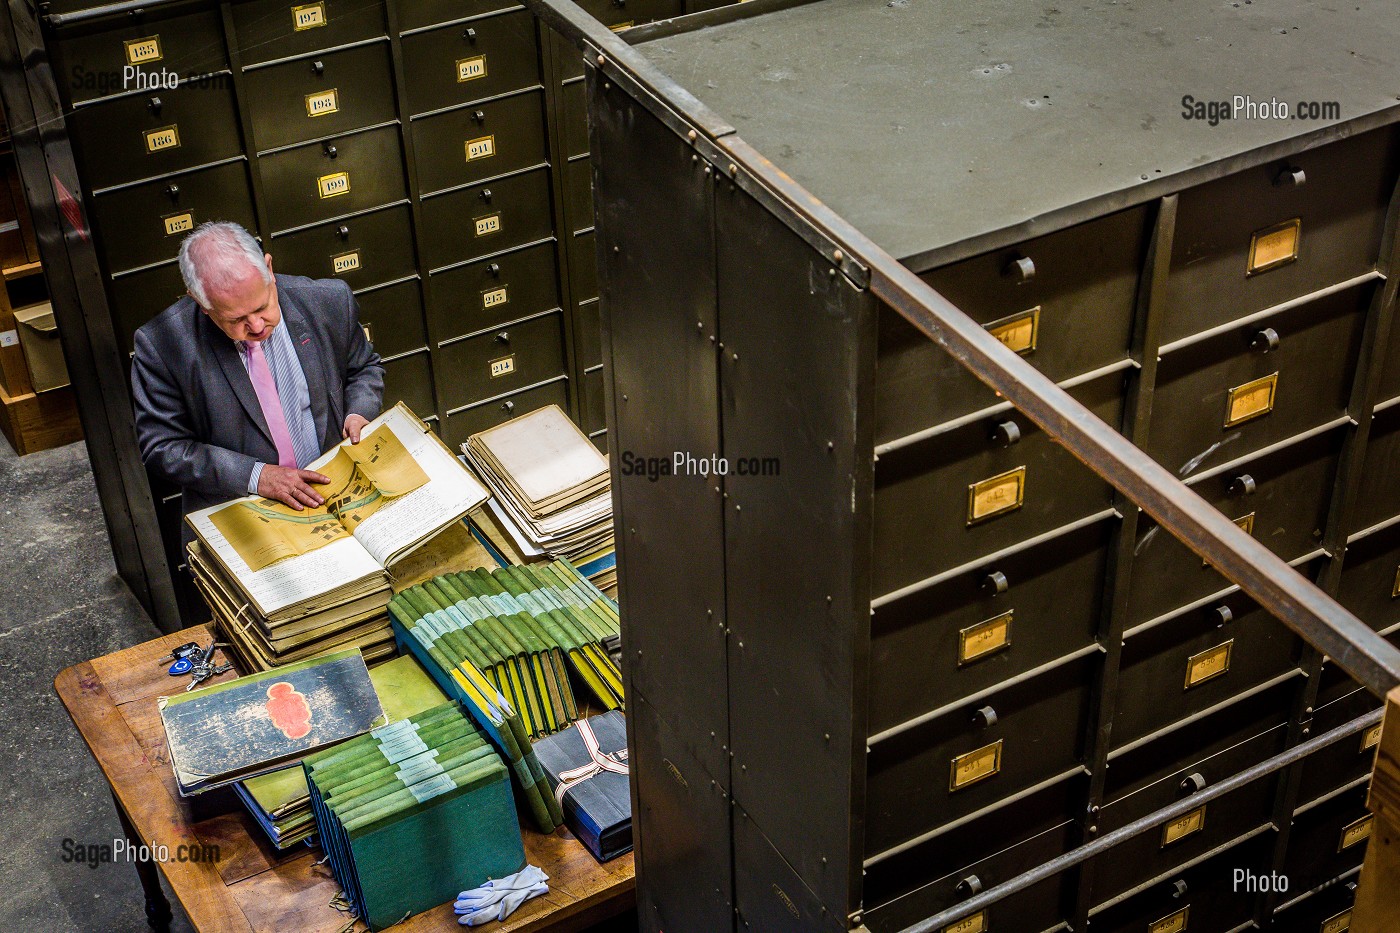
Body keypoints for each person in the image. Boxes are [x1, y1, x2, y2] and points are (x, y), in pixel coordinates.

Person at [131, 220, 384, 527]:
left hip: (335, 492)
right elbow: (163, 446)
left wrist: (358, 413)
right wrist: (257, 476)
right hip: (243, 510)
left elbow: (363, 368)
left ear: (269, 269)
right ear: (200, 302)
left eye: (263, 306)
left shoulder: (328, 301)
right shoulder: (163, 345)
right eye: (236, 319)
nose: (257, 326)